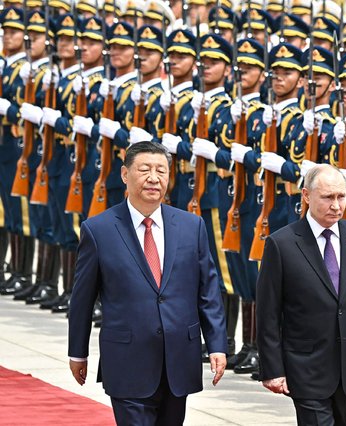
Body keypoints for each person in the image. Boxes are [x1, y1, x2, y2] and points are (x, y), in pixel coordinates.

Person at [68, 141, 228, 425]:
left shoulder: (192, 227)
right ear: (124, 175)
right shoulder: (99, 230)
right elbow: (82, 299)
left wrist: (216, 345)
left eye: (161, 171)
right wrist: (78, 352)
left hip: (179, 360)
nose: (154, 178)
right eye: (144, 170)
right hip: (127, 360)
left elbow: (208, 293)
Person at [256, 164, 346, 426]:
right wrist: (272, 369)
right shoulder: (282, 244)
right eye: (328, 197)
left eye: (341, 196)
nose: (336, 205)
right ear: (307, 196)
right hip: (306, 366)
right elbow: (268, 313)